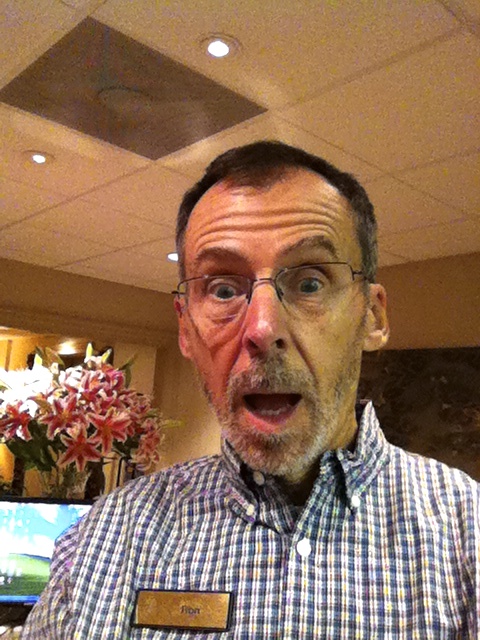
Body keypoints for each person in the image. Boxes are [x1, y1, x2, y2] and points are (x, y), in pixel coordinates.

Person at [22, 141, 479, 638]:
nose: (262, 328)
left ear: (373, 315)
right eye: (223, 289)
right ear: (184, 327)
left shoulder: (467, 536)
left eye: (310, 283)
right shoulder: (102, 543)